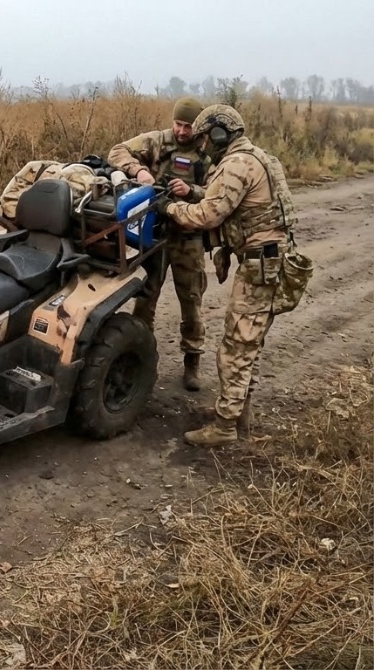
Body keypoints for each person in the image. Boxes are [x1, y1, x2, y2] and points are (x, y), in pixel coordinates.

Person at [158, 104, 308, 448]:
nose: (204, 144)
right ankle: (239, 414)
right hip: (273, 263)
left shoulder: (237, 164)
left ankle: (225, 426)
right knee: (249, 345)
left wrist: (169, 208)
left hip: (261, 267)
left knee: (236, 347)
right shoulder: (262, 158)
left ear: (220, 134)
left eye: (206, 137)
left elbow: (208, 214)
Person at [108, 96, 213, 391]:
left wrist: (190, 189)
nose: (182, 131)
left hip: (188, 235)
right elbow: (117, 151)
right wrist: (138, 171)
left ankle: (192, 361)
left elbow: (220, 194)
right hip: (153, 233)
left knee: (191, 300)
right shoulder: (157, 141)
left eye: (188, 126)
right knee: (145, 298)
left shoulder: (208, 153)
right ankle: (138, 361)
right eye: (179, 124)